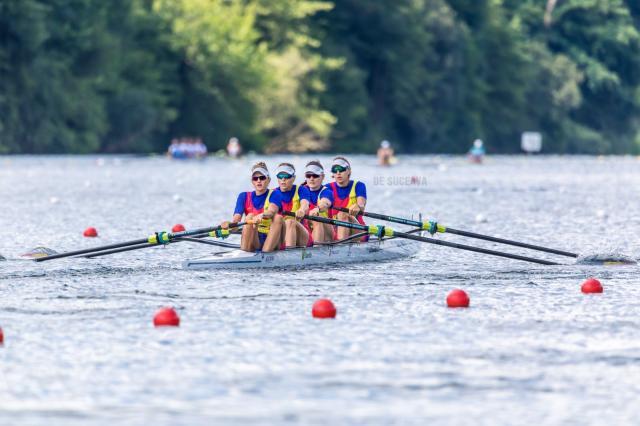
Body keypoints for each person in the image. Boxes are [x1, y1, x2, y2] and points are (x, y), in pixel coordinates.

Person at [222, 162, 283, 252]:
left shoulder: (275, 194)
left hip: (271, 238)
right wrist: (228, 224)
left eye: (262, 178)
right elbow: (236, 221)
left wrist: (261, 216)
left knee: (278, 218)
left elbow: (271, 211)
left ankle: (265, 252)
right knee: (249, 217)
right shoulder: (243, 196)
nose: (258, 181)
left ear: (268, 180)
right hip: (254, 237)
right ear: (252, 181)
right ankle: (244, 253)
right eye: (255, 178)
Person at [270, 163, 312, 248]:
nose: (283, 179)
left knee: (289, 222)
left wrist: (301, 210)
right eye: (280, 176)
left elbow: (305, 204)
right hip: (280, 234)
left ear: (293, 178)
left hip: (302, 236)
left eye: (287, 176)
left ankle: (289, 255)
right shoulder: (272, 193)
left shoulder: (302, 190)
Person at [327, 156, 367, 240]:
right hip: (335, 231)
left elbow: (361, 203)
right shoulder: (327, 188)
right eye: (335, 170)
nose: (338, 172)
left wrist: (358, 206)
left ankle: (341, 247)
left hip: (358, 231)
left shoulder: (359, 186)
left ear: (349, 171)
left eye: (341, 169)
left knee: (342, 214)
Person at [303, 160, 334, 243]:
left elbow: (325, 203)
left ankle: (317, 249)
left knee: (317, 219)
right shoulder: (300, 190)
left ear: (322, 176)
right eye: (308, 176)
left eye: (315, 176)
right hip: (306, 231)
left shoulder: (327, 192)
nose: (311, 179)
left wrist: (318, 209)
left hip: (326, 232)